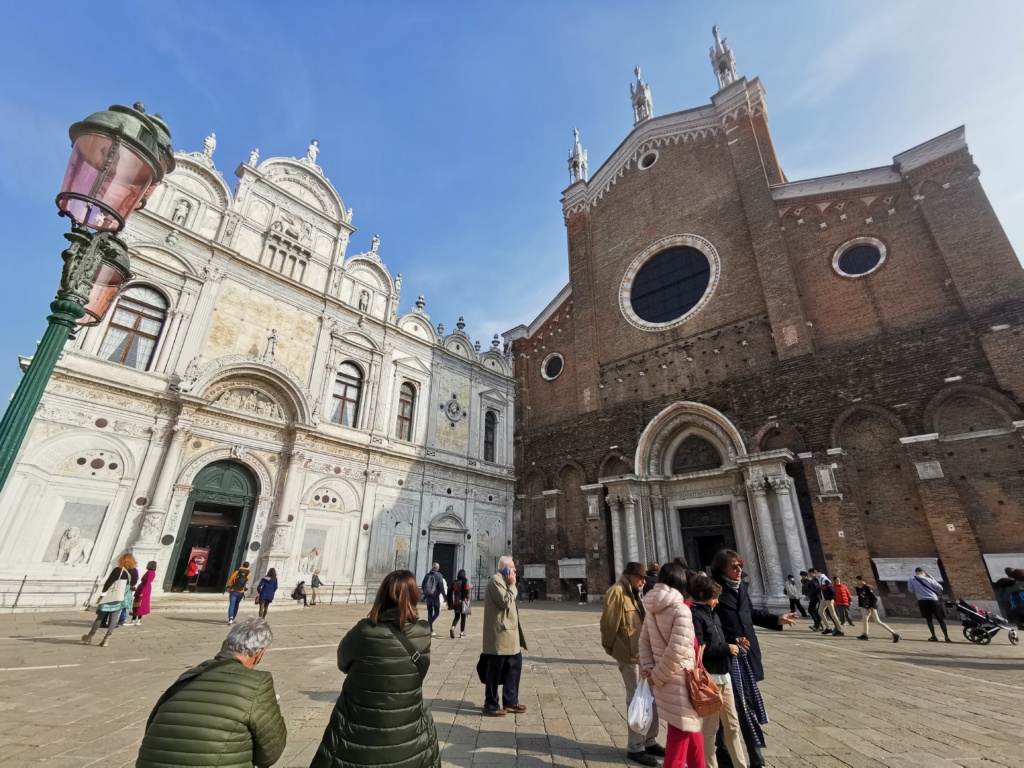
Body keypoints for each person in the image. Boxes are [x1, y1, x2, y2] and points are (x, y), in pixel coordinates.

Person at [310, 570, 439, 767]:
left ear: (382, 595)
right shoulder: (423, 632)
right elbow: (419, 673)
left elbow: (342, 662)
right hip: (408, 730)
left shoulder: (364, 630)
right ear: (414, 596)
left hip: (356, 732)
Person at [135, 617, 286, 767]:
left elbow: (152, 725)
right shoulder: (257, 683)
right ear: (259, 654)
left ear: (224, 645)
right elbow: (269, 755)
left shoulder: (188, 676)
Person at [711, 550, 796, 767]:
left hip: (747, 655)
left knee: (737, 706)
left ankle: (727, 754)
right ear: (722, 569)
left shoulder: (742, 589)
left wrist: (778, 619)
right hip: (728, 655)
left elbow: (752, 613)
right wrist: (731, 641)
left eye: (740, 566)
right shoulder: (714, 591)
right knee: (737, 706)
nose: (740, 570)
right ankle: (752, 756)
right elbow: (711, 625)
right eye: (734, 567)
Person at [640, 561, 703, 768]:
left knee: (692, 732)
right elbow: (677, 651)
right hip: (680, 681)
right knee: (680, 736)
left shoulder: (651, 607)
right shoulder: (681, 610)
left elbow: (644, 641)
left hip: (664, 681)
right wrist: (657, 675)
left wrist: (650, 670)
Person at [601, 561, 663, 766]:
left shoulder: (636, 593)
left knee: (651, 697)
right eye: (641, 578)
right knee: (636, 699)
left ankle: (650, 740)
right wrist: (612, 648)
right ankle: (635, 747)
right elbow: (608, 625)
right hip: (628, 656)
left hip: (643, 655)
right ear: (629, 576)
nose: (644, 581)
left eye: (645, 578)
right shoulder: (616, 592)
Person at [690, 573, 748, 768]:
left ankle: (740, 764)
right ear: (703, 595)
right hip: (709, 680)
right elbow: (700, 647)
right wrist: (726, 648)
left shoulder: (713, 614)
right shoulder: (696, 616)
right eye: (714, 597)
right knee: (710, 729)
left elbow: (718, 639)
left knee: (732, 725)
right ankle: (710, 765)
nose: (717, 602)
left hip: (725, 676)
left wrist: (733, 642)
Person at [481, 555, 528, 717]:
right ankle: (491, 703)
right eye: (512, 567)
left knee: (514, 668)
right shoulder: (496, 581)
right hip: (500, 635)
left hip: (511, 634)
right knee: (495, 670)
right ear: (504, 568)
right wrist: (513, 585)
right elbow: (506, 602)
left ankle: (510, 701)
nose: (515, 570)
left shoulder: (504, 581)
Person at [82, 553, 138, 647]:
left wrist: (102, 594)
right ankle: (106, 639)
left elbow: (108, 583)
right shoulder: (133, 571)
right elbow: (134, 582)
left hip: (111, 596)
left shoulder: (117, 570)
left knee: (100, 616)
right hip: (121, 597)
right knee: (114, 617)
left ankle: (89, 637)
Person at [907, 567, 951, 642]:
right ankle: (946, 636)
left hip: (922, 601)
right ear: (922, 572)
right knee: (940, 619)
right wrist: (932, 578)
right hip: (933, 600)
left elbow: (911, 590)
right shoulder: (929, 579)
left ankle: (934, 636)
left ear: (916, 572)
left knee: (929, 619)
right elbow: (940, 588)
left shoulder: (911, 579)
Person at [854, 576, 900, 642]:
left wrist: (872, 606)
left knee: (878, 622)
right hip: (866, 607)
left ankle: (895, 634)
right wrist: (857, 588)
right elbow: (861, 596)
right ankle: (865, 634)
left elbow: (874, 598)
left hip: (870, 607)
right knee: (864, 620)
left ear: (861, 580)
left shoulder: (867, 587)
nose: (857, 582)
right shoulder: (862, 588)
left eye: (857, 581)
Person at [812, 569, 843, 636]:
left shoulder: (825, 580)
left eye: (816, 572)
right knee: (820, 611)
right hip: (823, 599)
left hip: (828, 599)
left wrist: (832, 599)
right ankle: (828, 628)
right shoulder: (820, 580)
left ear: (819, 572)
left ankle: (839, 629)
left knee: (833, 614)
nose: (815, 574)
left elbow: (832, 590)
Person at [130, 561, 157, 626]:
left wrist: (142, 592)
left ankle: (137, 619)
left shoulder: (151, 572)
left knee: (140, 604)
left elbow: (147, 582)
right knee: (137, 604)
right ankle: (134, 619)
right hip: (143, 588)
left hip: (144, 589)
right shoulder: (150, 572)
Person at [421, 563, 445, 637]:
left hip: (428, 596)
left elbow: (423, 585)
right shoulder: (439, 575)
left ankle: (430, 630)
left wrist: (425, 593)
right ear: (438, 568)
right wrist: (444, 595)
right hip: (435, 596)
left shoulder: (427, 575)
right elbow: (441, 586)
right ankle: (428, 625)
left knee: (429, 613)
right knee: (437, 612)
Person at [225, 561, 252, 625]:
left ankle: (230, 618)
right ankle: (233, 618)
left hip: (234, 590)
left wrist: (229, 586)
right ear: (248, 566)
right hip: (241, 592)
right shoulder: (249, 574)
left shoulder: (237, 572)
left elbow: (230, 581)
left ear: (242, 565)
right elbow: (247, 581)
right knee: (236, 604)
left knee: (232, 605)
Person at [448, 568, 471, 639]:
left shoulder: (455, 582)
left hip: (456, 602)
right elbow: (467, 592)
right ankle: (462, 633)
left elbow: (453, 591)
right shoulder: (465, 582)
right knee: (463, 618)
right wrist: (468, 601)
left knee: (456, 617)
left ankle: (452, 628)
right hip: (463, 602)